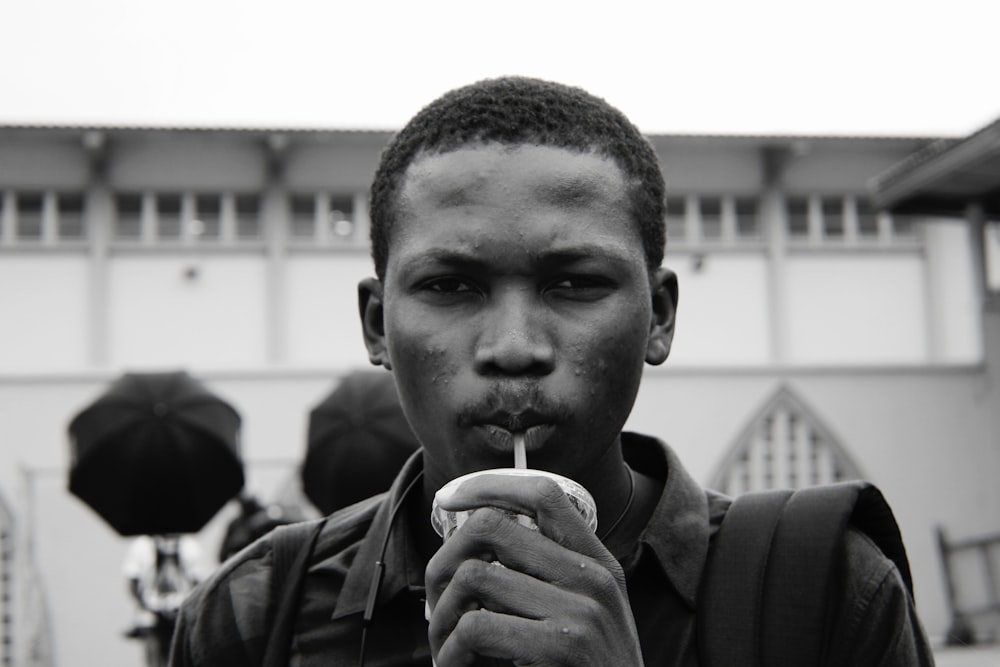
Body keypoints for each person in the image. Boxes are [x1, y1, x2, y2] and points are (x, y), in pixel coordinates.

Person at [170, 76, 934, 666]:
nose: (513, 345)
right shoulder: (254, 613)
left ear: (659, 316)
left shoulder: (822, 589)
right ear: (377, 324)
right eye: (450, 285)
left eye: (574, 282)